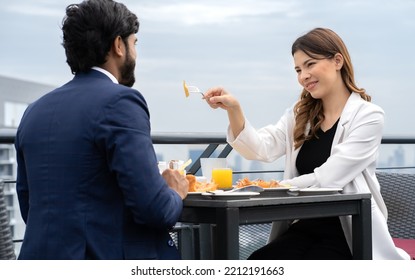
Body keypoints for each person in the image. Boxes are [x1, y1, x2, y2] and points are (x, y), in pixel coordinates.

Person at [204, 27, 410, 260]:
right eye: (298, 70)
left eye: (310, 64)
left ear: (337, 61)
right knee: (259, 263)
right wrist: (234, 109)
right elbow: (262, 147)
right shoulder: (300, 114)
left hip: (349, 231)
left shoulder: (369, 116)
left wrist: (277, 186)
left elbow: (329, 177)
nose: (303, 76)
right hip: (305, 226)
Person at [14, 0, 188, 260]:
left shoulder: (34, 110)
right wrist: (175, 191)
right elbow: (155, 209)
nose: (136, 53)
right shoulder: (121, 101)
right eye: (134, 43)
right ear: (118, 45)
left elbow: (29, 206)